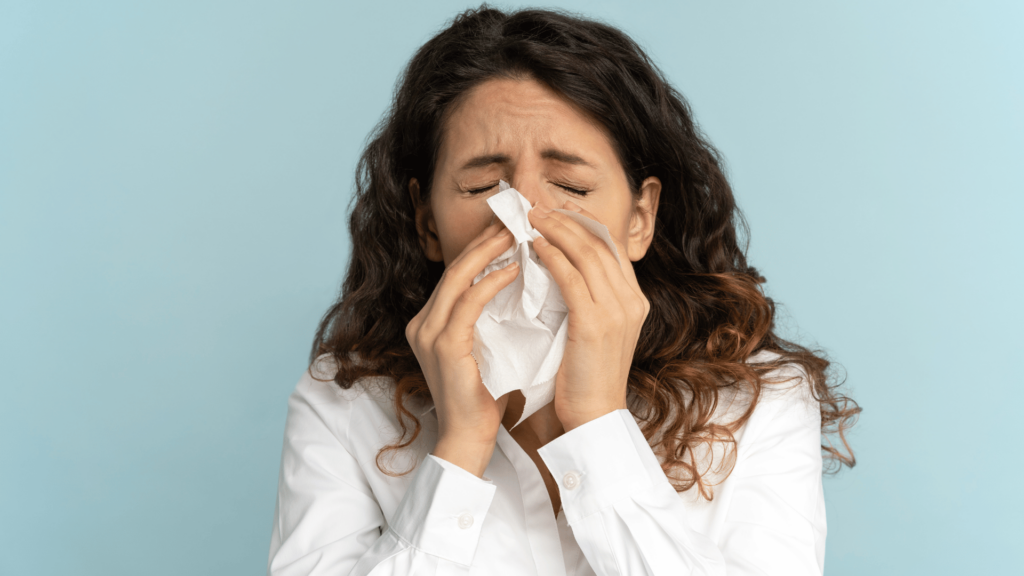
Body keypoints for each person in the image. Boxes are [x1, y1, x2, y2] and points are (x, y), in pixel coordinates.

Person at [267, 6, 859, 576]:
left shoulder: (761, 404)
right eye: (480, 188)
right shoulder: (344, 405)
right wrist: (458, 450)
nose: (522, 217)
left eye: (571, 185)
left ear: (639, 218)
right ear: (427, 224)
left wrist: (598, 425)